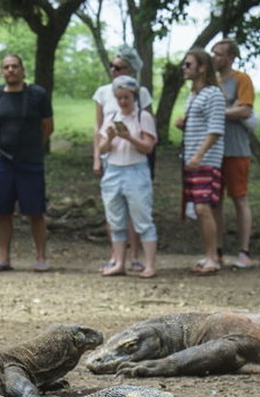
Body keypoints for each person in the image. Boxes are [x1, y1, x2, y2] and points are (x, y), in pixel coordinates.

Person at [0, 53, 54, 272]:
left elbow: (48, 127)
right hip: (2, 162)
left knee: (35, 211)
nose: (11, 70)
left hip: (30, 162)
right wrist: (1, 145)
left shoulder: (37, 95)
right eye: (6, 67)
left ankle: (41, 258)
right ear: (2, 71)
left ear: (23, 70)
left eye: (15, 66)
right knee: (3, 211)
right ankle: (4, 259)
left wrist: (33, 146)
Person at [92, 45, 154, 274]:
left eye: (120, 66)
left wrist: (130, 137)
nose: (114, 69)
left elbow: (148, 136)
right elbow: (98, 130)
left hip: (136, 165)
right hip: (113, 166)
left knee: (139, 213)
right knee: (116, 214)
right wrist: (99, 155)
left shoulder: (142, 106)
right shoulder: (105, 99)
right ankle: (117, 259)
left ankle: (140, 258)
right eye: (112, 66)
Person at [175, 48, 226, 275]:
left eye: (188, 64)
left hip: (205, 160)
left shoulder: (214, 93)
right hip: (191, 160)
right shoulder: (194, 95)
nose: (184, 69)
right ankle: (208, 254)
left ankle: (212, 257)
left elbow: (215, 129)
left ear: (202, 67)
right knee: (198, 207)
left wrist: (198, 155)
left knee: (203, 207)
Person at [211, 38, 256, 270]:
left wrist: (219, 112)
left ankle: (244, 251)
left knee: (239, 198)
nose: (214, 58)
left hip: (236, 148)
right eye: (213, 53)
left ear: (230, 58)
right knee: (214, 201)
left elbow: (245, 110)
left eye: (219, 54)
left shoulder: (242, 80)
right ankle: (216, 251)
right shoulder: (210, 82)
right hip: (213, 150)